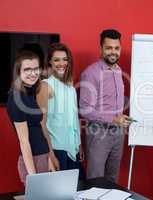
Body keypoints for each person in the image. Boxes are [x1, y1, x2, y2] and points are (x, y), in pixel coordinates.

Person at [79, 29, 130, 182]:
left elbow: (113, 99)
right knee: (96, 180)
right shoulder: (91, 73)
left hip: (118, 134)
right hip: (98, 134)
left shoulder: (118, 71)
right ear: (101, 49)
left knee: (112, 179)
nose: (113, 52)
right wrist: (113, 119)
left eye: (116, 48)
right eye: (108, 48)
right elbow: (85, 110)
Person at [36, 43, 85, 179]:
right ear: (50, 62)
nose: (61, 63)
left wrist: (79, 144)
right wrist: (50, 154)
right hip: (57, 149)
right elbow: (41, 124)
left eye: (65, 59)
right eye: (56, 59)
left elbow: (74, 119)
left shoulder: (70, 88)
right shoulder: (45, 85)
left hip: (73, 148)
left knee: (78, 189)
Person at [6, 51, 52, 184]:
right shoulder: (16, 98)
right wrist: (33, 177)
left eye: (36, 68)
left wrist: (49, 159)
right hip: (33, 161)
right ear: (18, 72)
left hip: (43, 156)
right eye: (27, 69)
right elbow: (24, 142)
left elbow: (38, 130)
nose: (33, 73)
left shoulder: (30, 92)